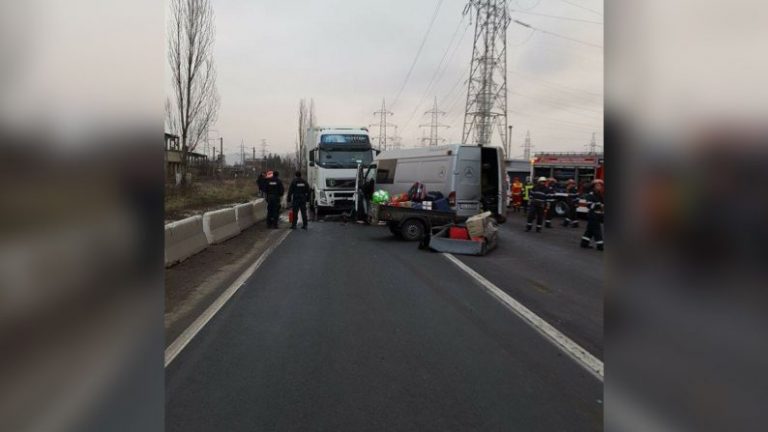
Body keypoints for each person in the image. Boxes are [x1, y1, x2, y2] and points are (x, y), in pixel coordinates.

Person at [581, 179, 605, 250]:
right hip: (593, 215)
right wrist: (599, 205)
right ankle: (600, 245)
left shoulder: (599, 194)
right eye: (598, 185)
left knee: (590, 230)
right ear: (594, 186)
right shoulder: (590, 194)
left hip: (598, 215)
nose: (600, 187)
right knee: (597, 230)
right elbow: (589, 205)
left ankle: (584, 243)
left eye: (600, 185)